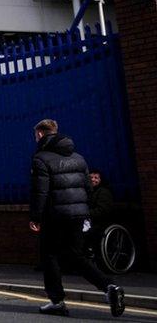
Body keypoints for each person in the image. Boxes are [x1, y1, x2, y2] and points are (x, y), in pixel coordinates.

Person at [29, 119, 124, 317]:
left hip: (55, 216)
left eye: (35, 135)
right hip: (78, 215)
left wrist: (36, 217)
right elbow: (88, 189)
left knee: (50, 256)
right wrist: (83, 211)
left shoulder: (41, 158)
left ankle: (57, 301)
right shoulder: (79, 158)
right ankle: (109, 287)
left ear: (40, 134)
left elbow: (40, 192)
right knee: (76, 256)